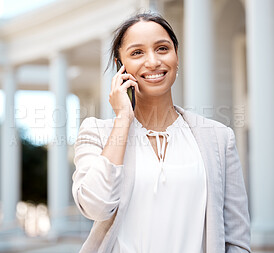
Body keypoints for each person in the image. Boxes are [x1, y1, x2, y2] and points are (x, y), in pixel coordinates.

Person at [72, 13, 251, 253]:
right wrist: (123, 119)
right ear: (120, 65)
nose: (153, 61)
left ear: (176, 56)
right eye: (137, 52)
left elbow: (237, 239)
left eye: (162, 48)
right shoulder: (97, 133)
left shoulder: (219, 138)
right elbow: (95, 206)